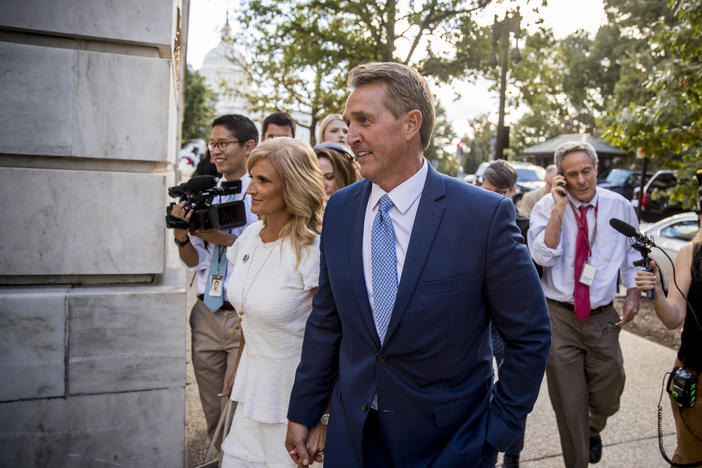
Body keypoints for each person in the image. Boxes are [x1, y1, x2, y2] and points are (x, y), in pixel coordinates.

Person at [285, 62, 551, 467]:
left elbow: (529, 335)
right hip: (354, 441)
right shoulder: (339, 209)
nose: (351, 135)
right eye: (348, 122)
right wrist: (304, 411)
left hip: (450, 445)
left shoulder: (483, 216)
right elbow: (327, 320)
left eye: (364, 121)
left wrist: (496, 432)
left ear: (411, 124)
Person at [528, 141, 640, 468]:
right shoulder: (547, 208)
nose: (580, 180)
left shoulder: (620, 207)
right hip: (559, 316)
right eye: (572, 174)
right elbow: (542, 256)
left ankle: (593, 428)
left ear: (596, 170)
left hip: (602, 314)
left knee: (609, 390)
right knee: (570, 404)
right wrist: (559, 210)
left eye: (586, 171)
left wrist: (633, 291)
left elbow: (634, 256)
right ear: (561, 177)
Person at [219, 137, 327, 467]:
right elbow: (248, 312)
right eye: (252, 177)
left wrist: (323, 416)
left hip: (296, 401)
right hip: (251, 392)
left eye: (263, 180)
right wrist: (238, 368)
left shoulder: (315, 250)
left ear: (293, 187)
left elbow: (334, 336)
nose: (250, 188)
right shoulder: (250, 237)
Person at [171, 114, 259, 447]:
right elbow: (195, 260)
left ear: (248, 146)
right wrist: (182, 238)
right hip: (205, 313)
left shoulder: (262, 194)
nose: (216, 151)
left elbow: (269, 256)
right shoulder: (203, 192)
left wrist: (225, 239)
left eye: (223, 143)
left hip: (243, 317)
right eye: (212, 144)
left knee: (236, 413)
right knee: (212, 411)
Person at [634, 186, 702, 465]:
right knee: (691, 457)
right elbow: (673, 318)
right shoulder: (691, 254)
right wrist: (657, 293)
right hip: (695, 373)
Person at [480, 159, 531, 468]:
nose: (495, 197)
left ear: (513, 191)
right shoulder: (472, 218)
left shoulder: (525, 225)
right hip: (483, 321)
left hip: (510, 323)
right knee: (483, 387)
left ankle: (512, 453)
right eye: (489, 191)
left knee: (513, 390)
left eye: (501, 192)